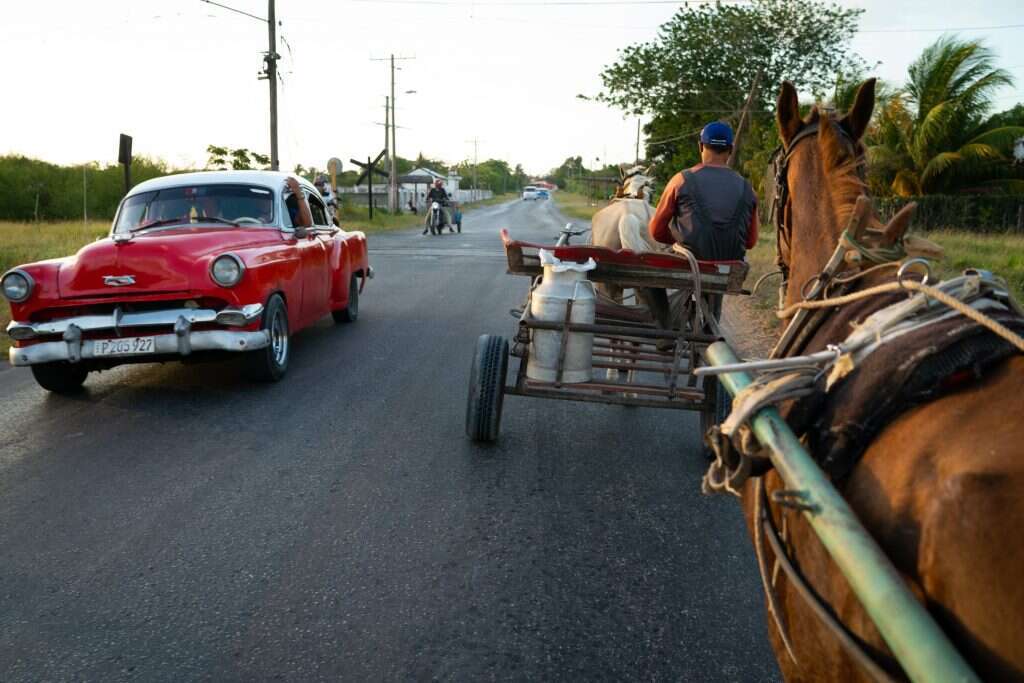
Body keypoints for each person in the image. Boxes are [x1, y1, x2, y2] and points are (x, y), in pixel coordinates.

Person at [645, 121, 759, 331]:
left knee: (644, 272)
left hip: (688, 263)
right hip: (728, 267)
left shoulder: (681, 180)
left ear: (700, 147)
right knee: (718, 267)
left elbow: (655, 231)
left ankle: (664, 327)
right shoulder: (747, 188)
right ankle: (710, 328)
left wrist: (678, 241)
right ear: (731, 150)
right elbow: (750, 241)